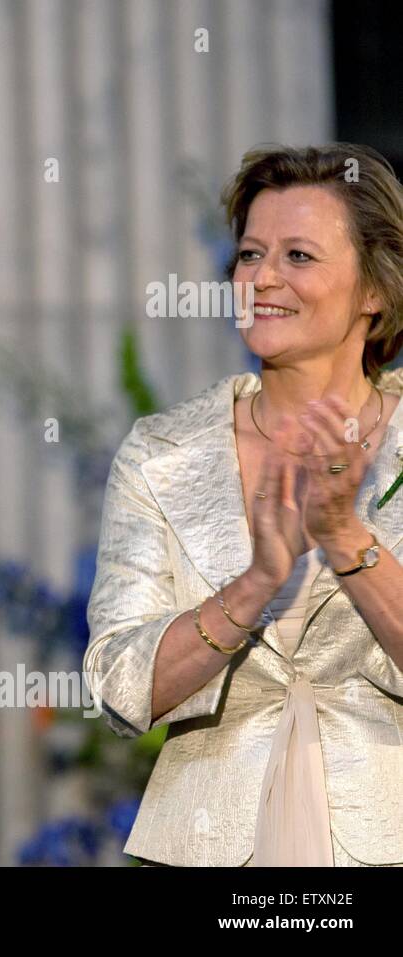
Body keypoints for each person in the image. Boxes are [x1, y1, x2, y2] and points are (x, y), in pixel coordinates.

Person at [85, 143, 403, 866]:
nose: (261, 278)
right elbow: (119, 684)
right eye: (250, 254)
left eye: (298, 256)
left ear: (375, 289)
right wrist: (257, 582)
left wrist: (344, 536)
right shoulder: (162, 451)